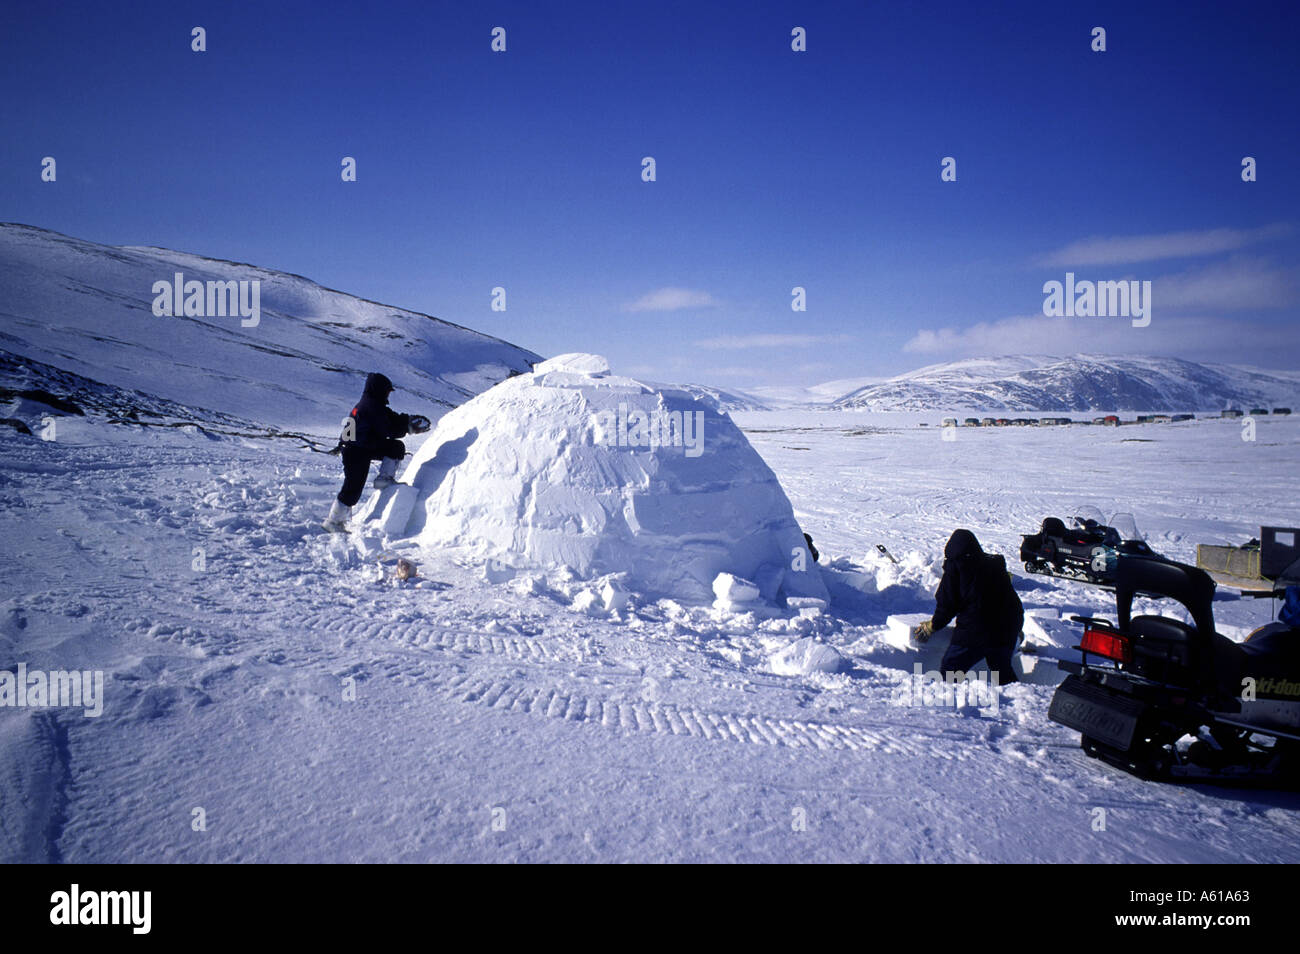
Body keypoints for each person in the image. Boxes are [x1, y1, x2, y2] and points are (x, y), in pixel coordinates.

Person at [912, 528, 1023, 684]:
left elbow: (947, 605)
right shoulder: (994, 565)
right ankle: (1017, 699)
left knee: (951, 670)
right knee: (1002, 668)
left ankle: (949, 703)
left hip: (976, 629)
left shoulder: (956, 567)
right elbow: (1009, 601)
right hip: (1009, 626)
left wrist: (933, 626)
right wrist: (1016, 630)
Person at [323, 373, 412, 530]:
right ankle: (333, 522)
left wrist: (408, 421)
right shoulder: (371, 406)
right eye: (387, 391)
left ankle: (384, 479)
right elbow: (388, 429)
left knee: (395, 447)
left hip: (362, 447)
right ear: (378, 389)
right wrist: (408, 428)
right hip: (355, 451)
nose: (388, 394)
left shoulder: (371, 404)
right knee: (353, 487)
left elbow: (391, 418)